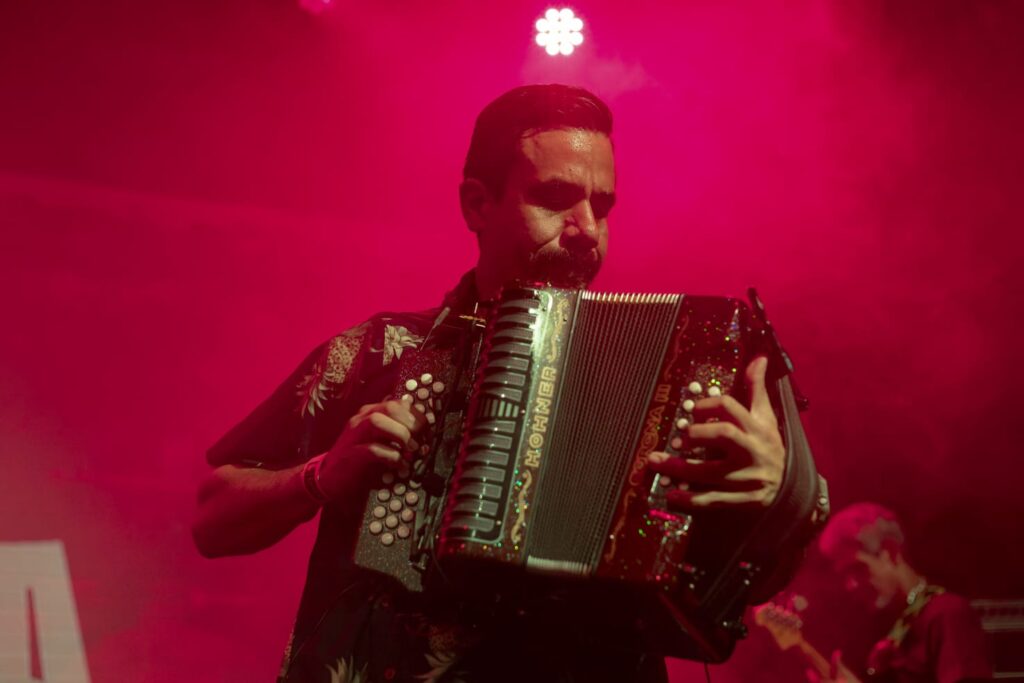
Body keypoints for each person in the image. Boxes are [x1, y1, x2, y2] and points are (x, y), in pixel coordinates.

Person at [192, 84, 820, 682]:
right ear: (477, 204)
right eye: (555, 197)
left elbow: (732, 592)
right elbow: (213, 517)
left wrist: (781, 499)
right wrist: (321, 476)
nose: (586, 230)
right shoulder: (381, 352)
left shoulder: (681, 366)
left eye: (602, 206)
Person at [811, 503, 992, 683]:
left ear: (891, 552)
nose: (851, 585)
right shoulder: (892, 626)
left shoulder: (946, 614)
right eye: (845, 576)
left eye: (859, 569)